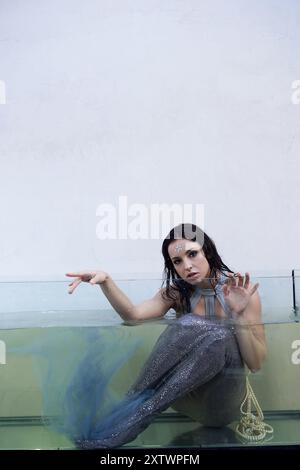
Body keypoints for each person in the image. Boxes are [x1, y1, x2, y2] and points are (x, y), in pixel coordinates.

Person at [65, 223, 266, 448]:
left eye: (192, 254)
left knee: (216, 335)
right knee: (187, 324)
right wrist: (106, 282)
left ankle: (122, 430)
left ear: (207, 251)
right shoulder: (177, 292)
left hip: (221, 404)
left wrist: (238, 317)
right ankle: (118, 420)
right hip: (185, 399)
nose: (187, 266)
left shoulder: (240, 290)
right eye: (177, 261)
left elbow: (256, 364)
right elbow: (133, 316)